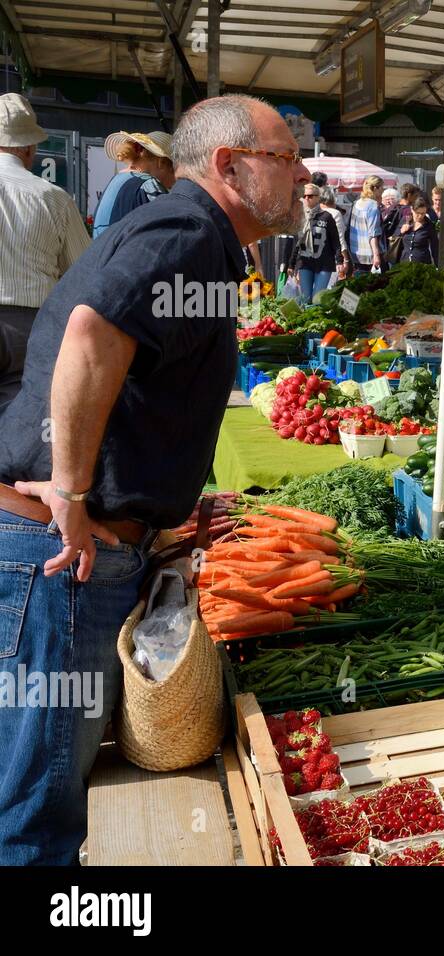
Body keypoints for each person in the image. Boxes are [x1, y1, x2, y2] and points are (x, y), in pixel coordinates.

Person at [0, 94, 309, 865]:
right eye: (288, 156)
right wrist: (72, 495)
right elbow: (90, 331)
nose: (303, 173)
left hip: (67, 547)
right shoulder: (188, 228)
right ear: (231, 167)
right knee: (34, 820)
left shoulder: (197, 237)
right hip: (59, 555)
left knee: (35, 799)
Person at [0, 93, 91, 414]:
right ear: (28, 148)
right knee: (18, 422)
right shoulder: (53, 198)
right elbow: (84, 274)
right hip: (29, 326)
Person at [92, 130, 175, 237]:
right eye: (174, 169)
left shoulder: (117, 180)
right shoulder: (149, 184)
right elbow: (167, 233)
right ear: (161, 162)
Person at [292, 182, 345, 304]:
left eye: (310, 196)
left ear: (318, 197)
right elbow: (297, 243)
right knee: (305, 299)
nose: (306, 199)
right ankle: (306, 322)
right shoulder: (301, 217)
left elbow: (336, 241)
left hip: (324, 263)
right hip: (305, 262)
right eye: (304, 196)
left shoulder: (327, 217)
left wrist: (339, 261)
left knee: (317, 299)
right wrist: (291, 264)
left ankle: (317, 321)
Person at [347, 174, 384, 274]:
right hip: (370, 255)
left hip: (356, 252)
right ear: (375, 188)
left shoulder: (356, 203)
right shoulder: (373, 206)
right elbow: (373, 233)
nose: (382, 190)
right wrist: (376, 255)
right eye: (382, 187)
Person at [398, 197, 437, 263]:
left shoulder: (429, 226)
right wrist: (401, 231)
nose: (420, 216)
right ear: (412, 210)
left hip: (422, 264)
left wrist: (437, 266)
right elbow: (393, 237)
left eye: (423, 213)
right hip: (404, 262)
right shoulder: (405, 221)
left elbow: (435, 247)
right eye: (417, 213)